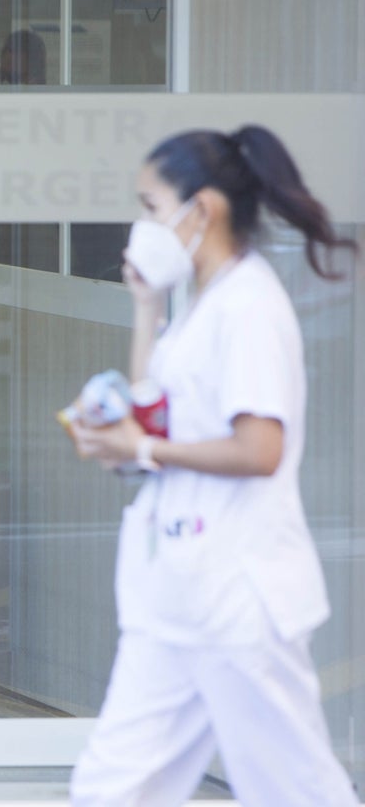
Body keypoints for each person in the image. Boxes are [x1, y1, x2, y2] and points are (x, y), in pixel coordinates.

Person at [66, 126, 358, 805]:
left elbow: (260, 449)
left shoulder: (251, 307)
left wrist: (141, 447)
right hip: (177, 595)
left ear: (203, 210)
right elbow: (156, 415)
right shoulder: (199, 307)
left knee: (294, 788)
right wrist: (143, 315)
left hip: (237, 598)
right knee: (113, 787)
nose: (142, 227)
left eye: (150, 206)